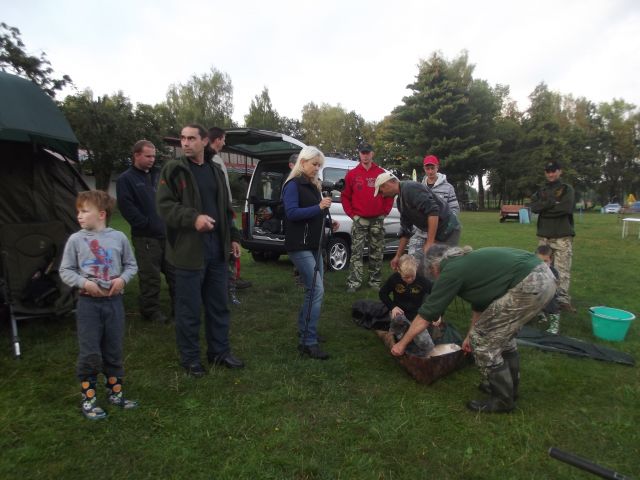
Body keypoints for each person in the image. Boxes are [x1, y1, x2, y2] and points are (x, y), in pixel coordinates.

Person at [390, 245, 556, 413]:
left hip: (530, 283)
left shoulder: (450, 270)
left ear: (435, 266)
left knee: (483, 341)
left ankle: (503, 400)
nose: (434, 277)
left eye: (433, 273)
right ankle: (509, 387)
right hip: (543, 277)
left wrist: (401, 344)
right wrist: (469, 335)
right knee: (501, 336)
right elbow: (480, 305)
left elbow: (426, 315)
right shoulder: (464, 264)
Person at [156, 124, 244, 377]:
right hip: (188, 253)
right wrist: (192, 218)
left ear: (205, 141)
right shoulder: (174, 169)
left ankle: (219, 352)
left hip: (217, 250)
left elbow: (226, 208)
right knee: (189, 309)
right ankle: (190, 358)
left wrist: (234, 237)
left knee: (219, 305)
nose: (185, 143)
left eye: (191, 138)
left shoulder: (215, 171)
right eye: (183, 139)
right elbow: (164, 206)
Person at [59, 190, 138, 420]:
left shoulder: (119, 238)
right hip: (88, 306)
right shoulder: (76, 240)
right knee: (90, 352)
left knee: (113, 349)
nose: (79, 216)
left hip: (113, 304)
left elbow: (131, 265)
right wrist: (84, 282)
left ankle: (115, 394)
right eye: (78, 211)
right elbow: (65, 270)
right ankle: (89, 399)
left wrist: (122, 279)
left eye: (85, 211)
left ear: (101, 214)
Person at [282, 146, 339, 359]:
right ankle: (308, 341)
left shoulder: (312, 185)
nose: (317, 169)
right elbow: (292, 213)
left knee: (313, 290)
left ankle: (306, 329)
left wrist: (327, 222)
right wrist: (319, 208)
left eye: (319, 165)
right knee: (316, 290)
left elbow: (314, 213)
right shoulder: (292, 185)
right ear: (303, 162)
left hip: (314, 244)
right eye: (314, 164)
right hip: (299, 245)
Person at [116, 140, 174, 324]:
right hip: (146, 237)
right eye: (148, 156)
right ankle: (150, 311)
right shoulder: (126, 179)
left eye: (154, 156)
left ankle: (180, 308)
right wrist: (146, 224)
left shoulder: (159, 174)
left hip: (167, 234)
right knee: (150, 276)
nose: (152, 160)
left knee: (175, 272)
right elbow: (127, 207)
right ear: (136, 155)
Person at [374, 173, 461, 272]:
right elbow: (406, 230)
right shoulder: (400, 201)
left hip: (449, 229)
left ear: (388, 184)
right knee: (424, 267)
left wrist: (430, 242)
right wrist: (398, 256)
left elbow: (433, 211)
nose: (382, 195)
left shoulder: (410, 188)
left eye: (381, 191)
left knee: (439, 267)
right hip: (439, 232)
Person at [341, 142, 394, 293]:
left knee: (376, 252)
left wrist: (384, 213)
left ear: (372, 154)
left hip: (377, 219)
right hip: (359, 220)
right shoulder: (352, 174)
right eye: (362, 153)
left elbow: (390, 195)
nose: (365, 155)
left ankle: (375, 281)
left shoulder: (381, 173)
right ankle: (354, 283)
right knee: (356, 253)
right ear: (359, 154)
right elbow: (345, 197)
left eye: (367, 152)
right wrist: (353, 216)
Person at [207, 127, 252, 306]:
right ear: (217, 139)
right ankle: (218, 291)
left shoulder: (218, 160)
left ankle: (230, 289)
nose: (224, 143)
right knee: (219, 252)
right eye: (223, 139)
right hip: (214, 214)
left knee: (232, 250)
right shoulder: (210, 161)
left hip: (226, 211)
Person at [530, 160, 575, 312]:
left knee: (562, 269)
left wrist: (545, 208)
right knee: (543, 269)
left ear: (560, 171)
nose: (551, 174)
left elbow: (566, 208)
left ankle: (562, 300)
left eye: (554, 170)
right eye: (548, 171)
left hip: (562, 235)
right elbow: (534, 207)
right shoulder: (540, 191)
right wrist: (552, 203)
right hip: (544, 236)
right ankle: (544, 299)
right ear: (545, 173)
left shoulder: (566, 189)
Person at [379, 254, 436, 356]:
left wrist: (438, 313)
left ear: (416, 269)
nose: (409, 279)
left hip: (416, 316)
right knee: (398, 325)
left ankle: (410, 337)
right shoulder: (394, 279)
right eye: (406, 277)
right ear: (399, 270)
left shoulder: (422, 280)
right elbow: (382, 293)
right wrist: (393, 307)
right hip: (399, 314)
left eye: (412, 276)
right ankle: (397, 334)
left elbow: (437, 294)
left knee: (428, 346)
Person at [408, 155, 460, 256]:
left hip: (440, 234)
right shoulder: (419, 187)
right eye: (427, 169)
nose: (430, 171)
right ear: (424, 169)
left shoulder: (448, 188)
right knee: (413, 260)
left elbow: (454, 209)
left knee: (435, 264)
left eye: (432, 168)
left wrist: (445, 226)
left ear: (437, 167)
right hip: (420, 233)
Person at [535, 245, 561, 334]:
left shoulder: (553, 272)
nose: (542, 264)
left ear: (551, 260)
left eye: (545, 261)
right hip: (534, 293)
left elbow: (553, 288)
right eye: (539, 261)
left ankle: (554, 324)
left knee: (551, 300)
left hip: (549, 293)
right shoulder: (532, 269)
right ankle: (539, 314)